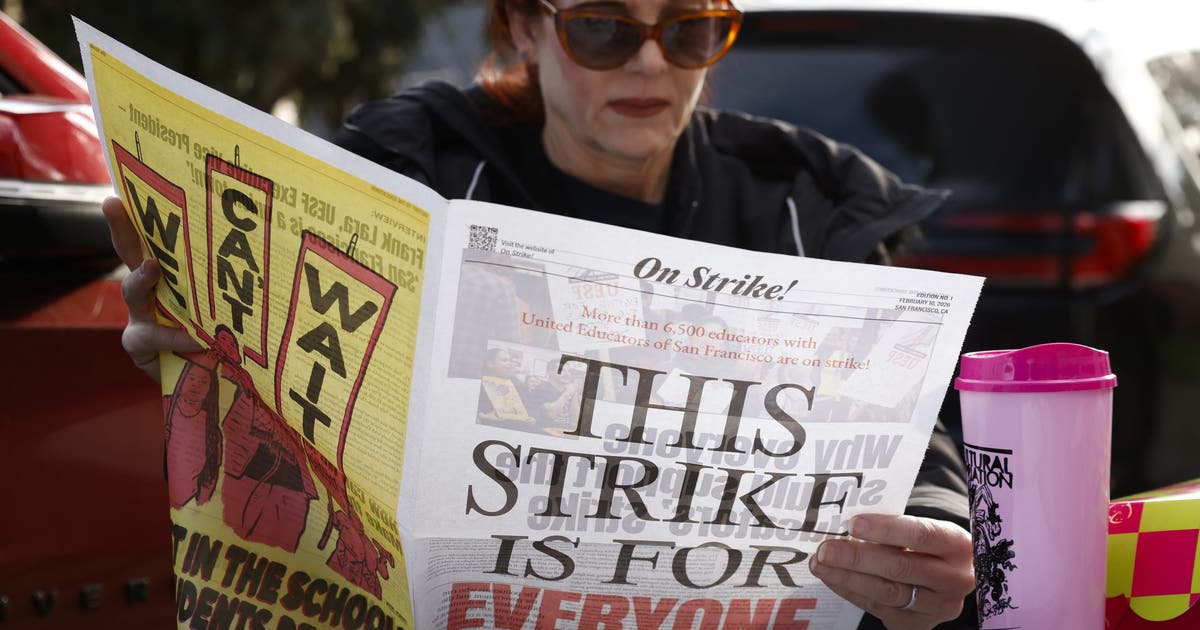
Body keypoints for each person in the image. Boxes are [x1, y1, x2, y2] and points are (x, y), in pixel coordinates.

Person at [103, 0, 977, 626]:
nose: (650, 64)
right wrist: (191, 349)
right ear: (523, 25)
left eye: (689, 30)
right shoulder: (413, 173)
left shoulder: (803, 202)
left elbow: (912, 440)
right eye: (601, 27)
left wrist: (936, 537)